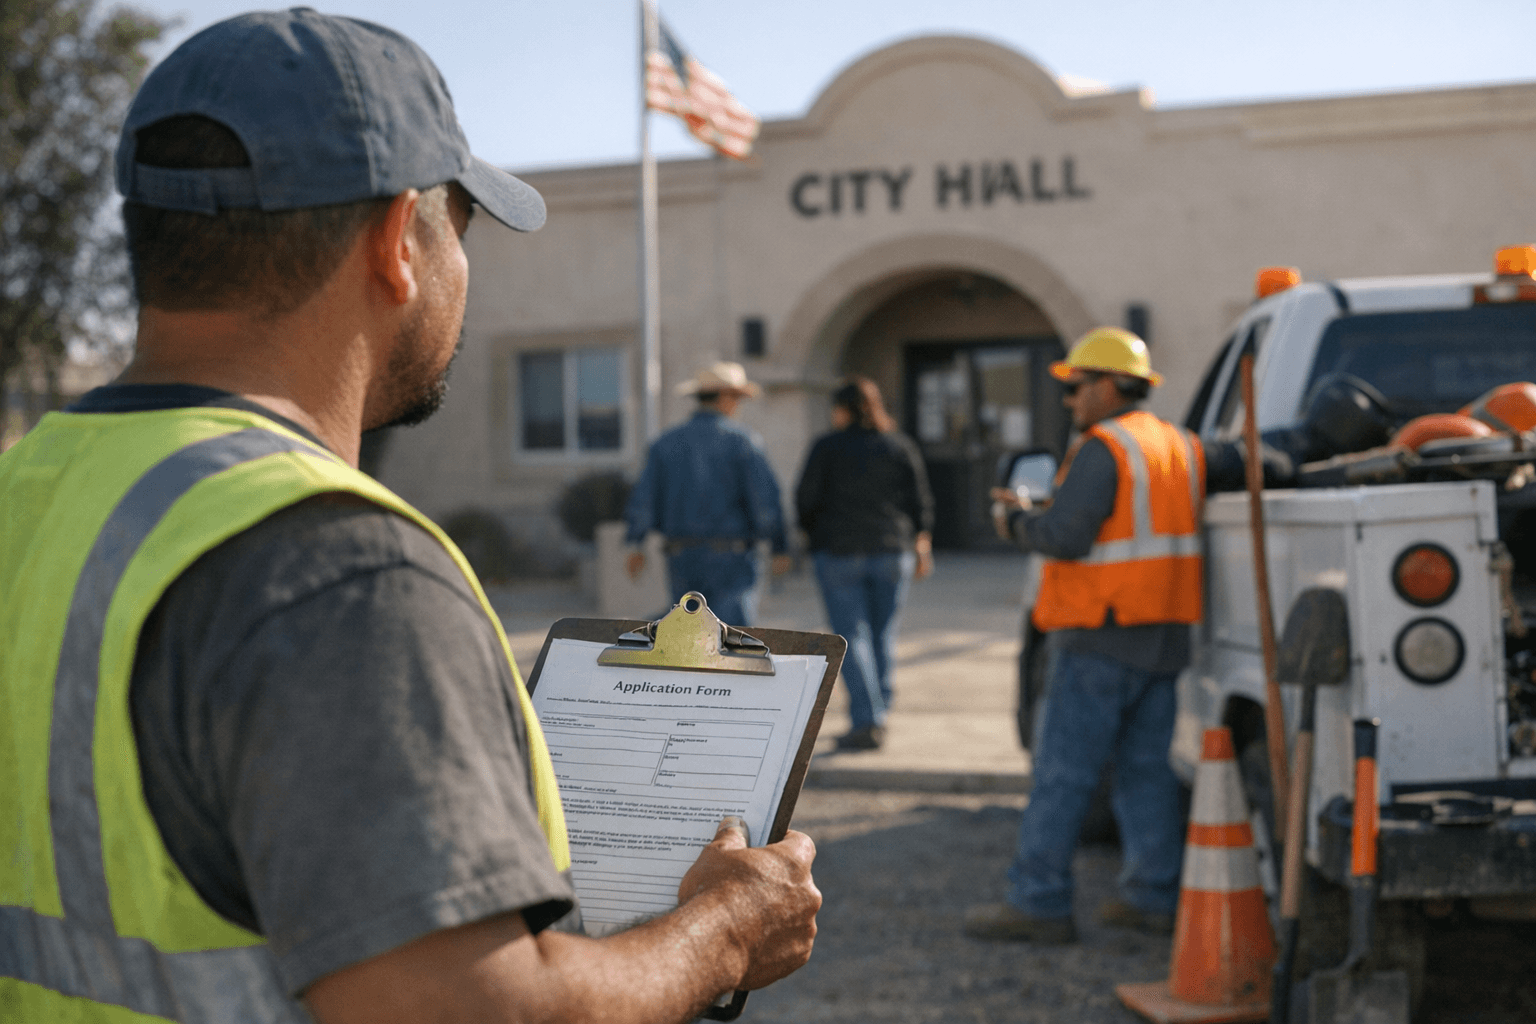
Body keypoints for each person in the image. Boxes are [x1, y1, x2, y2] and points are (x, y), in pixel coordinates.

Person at [0, 11, 819, 1024]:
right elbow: (467, 1009)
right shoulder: (339, 567)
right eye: (463, 231)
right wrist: (725, 933)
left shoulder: (30, 491)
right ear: (397, 241)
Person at [964, 327, 1202, 945]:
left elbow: (1065, 537)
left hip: (1100, 633)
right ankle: (1154, 895)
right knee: (1144, 769)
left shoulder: (1104, 447)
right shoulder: (1177, 444)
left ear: (1105, 385)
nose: (1069, 401)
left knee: (1063, 773)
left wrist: (1014, 520)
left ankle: (1038, 902)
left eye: (1074, 387)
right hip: (1165, 633)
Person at [795, 377, 935, 751]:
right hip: (892, 550)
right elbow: (920, 500)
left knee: (851, 637)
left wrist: (814, 536)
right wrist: (922, 542)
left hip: (839, 553)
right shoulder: (898, 445)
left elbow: (805, 500)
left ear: (842, 410)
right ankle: (879, 711)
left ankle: (868, 720)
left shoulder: (826, 447)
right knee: (882, 635)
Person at [624, 361, 791, 625]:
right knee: (733, 642)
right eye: (737, 398)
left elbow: (644, 499)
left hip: (681, 556)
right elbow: (765, 501)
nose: (738, 406)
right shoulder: (743, 441)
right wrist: (780, 545)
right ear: (725, 397)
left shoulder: (665, 443)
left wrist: (635, 543)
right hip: (732, 558)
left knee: (688, 639)